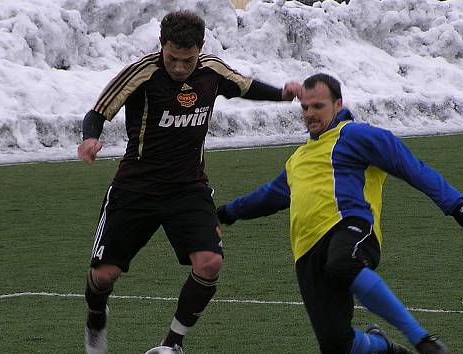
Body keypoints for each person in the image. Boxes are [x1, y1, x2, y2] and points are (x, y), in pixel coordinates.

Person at [78, 10, 302, 354]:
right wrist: (90, 138)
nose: (179, 67)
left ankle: (172, 344)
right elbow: (98, 111)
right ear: (161, 46)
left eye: (187, 59)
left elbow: (245, 86)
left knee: (210, 263)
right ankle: (96, 315)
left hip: (188, 188)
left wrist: (283, 95)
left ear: (200, 48)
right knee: (104, 276)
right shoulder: (142, 72)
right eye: (172, 58)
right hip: (135, 188)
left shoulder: (212, 70)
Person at [216, 73, 463, 354]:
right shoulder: (298, 158)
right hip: (306, 253)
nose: (310, 114)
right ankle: (385, 348)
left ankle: (422, 340)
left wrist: (455, 204)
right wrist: (226, 212)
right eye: (305, 108)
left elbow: (410, 166)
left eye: (318, 106)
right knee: (336, 344)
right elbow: (270, 195)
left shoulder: (355, 134)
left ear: (338, 104)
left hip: (349, 226)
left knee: (343, 264)